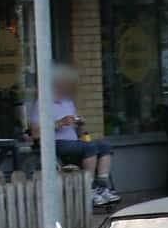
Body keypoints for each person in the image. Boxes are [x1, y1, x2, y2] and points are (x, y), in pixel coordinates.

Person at [31, 68, 120, 206]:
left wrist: (80, 124)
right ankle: (89, 189)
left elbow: (79, 132)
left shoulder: (68, 102)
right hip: (56, 144)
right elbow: (35, 133)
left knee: (104, 145)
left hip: (74, 143)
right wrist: (60, 123)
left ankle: (103, 187)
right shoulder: (41, 104)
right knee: (90, 147)